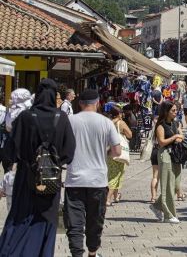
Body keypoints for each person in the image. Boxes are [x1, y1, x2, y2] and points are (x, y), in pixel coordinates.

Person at [0, 79, 75, 256]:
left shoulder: (25, 117)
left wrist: (25, 161)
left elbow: (10, 150)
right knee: (46, 219)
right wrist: (54, 163)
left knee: (21, 216)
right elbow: (69, 151)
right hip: (50, 179)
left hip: (26, 177)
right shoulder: (61, 118)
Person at [64, 89, 121, 257]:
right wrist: (106, 152)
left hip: (75, 180)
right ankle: (92, 252)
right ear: (97, 103)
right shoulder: (106, 122)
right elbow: (117, 151)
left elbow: (62, 149)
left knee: (74, 223)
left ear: (80, 103)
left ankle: (76, 254)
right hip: (98, 180)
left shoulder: (70, 121)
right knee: (95, 221)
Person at [149, 101, 184, 224]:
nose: (176, 112)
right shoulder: (161, 126)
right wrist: (175, 137)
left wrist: (180, 136)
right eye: (173, 110)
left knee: (175, 185)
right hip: (165, 155)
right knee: (167, 185)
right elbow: (162, 142)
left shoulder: (175, 123)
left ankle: (157, 206)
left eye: (176, 110)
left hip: (175, 155)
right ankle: (169, 215)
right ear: (166, 112)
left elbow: (181, 135)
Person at [106, 106, 132, 206]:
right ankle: (108, 199)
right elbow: (130, 135)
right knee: (115, 176)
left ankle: (116, 196)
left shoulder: (108, 122)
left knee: (115, 174)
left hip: (109, 152)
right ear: (119, 114)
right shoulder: (120, 123)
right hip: (119, 152)